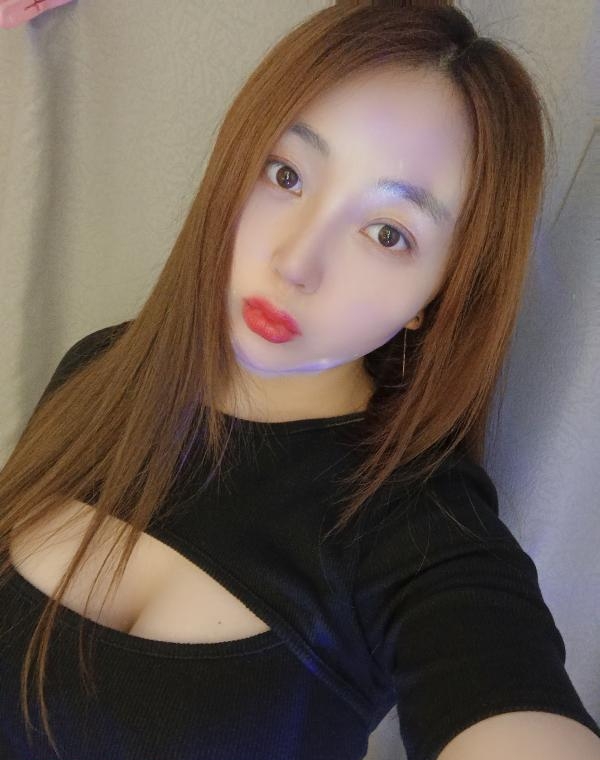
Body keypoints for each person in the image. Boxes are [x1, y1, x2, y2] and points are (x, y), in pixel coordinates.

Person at [1, 1, 599, 759]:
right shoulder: (99, 368)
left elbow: (502, 688)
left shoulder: (417, 528)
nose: (295, 262)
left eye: (388, 233)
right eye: (286, 174)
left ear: (438, 295)